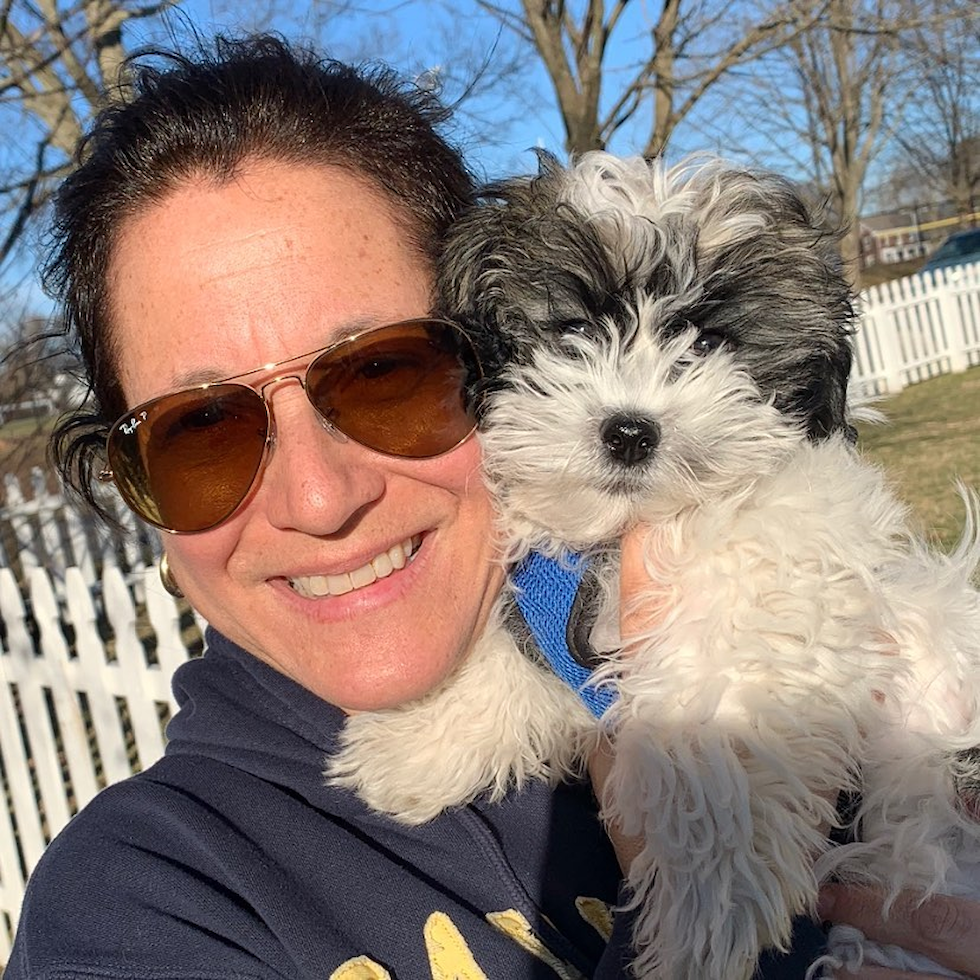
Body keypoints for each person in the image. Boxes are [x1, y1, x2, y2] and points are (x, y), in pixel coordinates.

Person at [4, 32, 977, 980]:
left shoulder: (710, 595)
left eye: (383, 372)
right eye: (199, 429)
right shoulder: (147, 902)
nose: (319, 495)